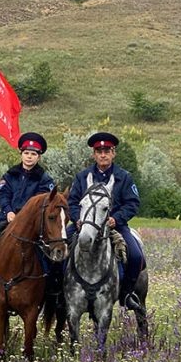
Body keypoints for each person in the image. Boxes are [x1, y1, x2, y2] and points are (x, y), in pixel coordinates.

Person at [67, 132, 143, 308]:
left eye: (107, 151)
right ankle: (60, 292)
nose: (103, 154)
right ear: (94, 154)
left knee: (136, 256)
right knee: (60, 249)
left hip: (115, 226)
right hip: (84, 225)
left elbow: (132, 203)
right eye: (99, 151)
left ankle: (126, 294)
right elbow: (72, 202)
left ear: (113, 153)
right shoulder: (82, 177)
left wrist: (116, 219)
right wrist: (77, 219)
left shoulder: (124, 177)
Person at [0, 132, 56, 223]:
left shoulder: (44, 179)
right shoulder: (10, 175)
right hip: (7, 219)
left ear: (38, 157)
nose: (29, 157)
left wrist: (24, 215)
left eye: (33, 154)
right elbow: (2, 194)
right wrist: (8, 211)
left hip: (31, 222)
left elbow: (41, 201)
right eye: (26, 153)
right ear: (21, 154)